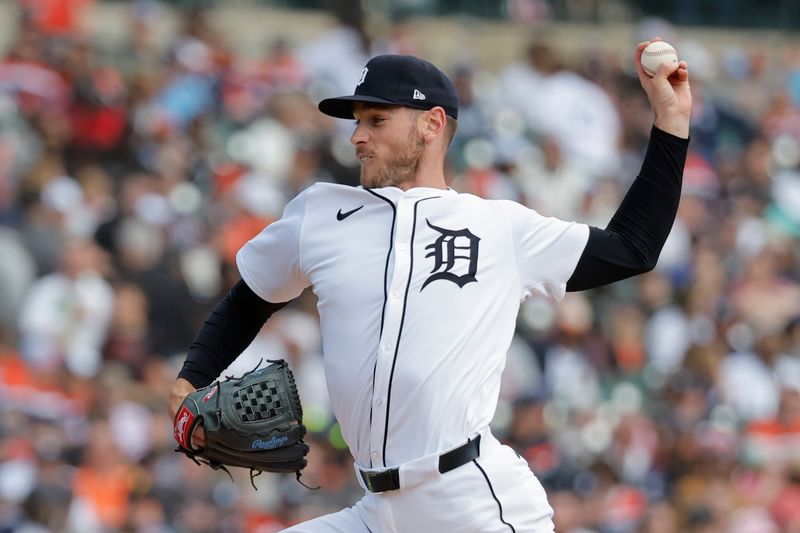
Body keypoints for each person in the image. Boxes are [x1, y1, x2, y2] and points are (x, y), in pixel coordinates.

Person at [168, 40, 691, 532]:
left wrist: (671, 123)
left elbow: (632, 248)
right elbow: (249, 299)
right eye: (357, 121)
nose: (357, 136)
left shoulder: (500, 228)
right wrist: (188, 380)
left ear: (432, 125)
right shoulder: (320, 214)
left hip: (472, 504)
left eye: (377, 119)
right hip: (377, 511)